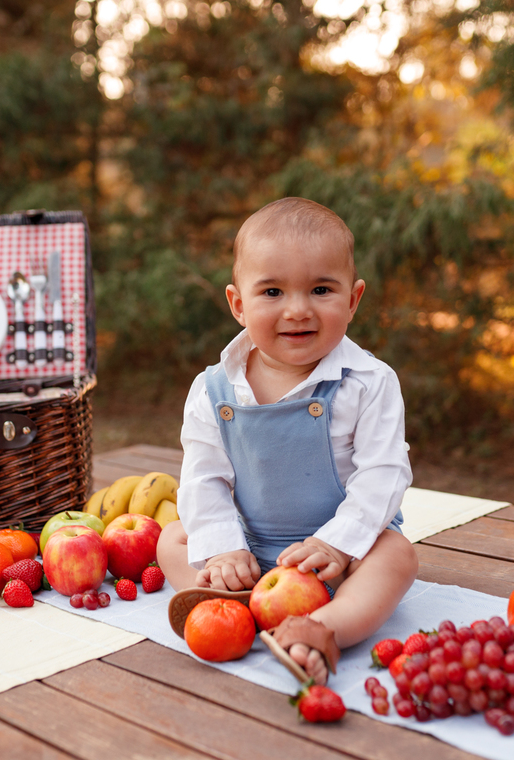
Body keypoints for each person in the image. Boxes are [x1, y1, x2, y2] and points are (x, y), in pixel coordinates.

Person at [156, 196, 419, 686]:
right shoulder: (213, 389)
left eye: (321, 289)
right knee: (172, 537)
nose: (297, 310)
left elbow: (384, 474)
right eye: (272, 292)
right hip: (249, 549)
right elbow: (202, 476)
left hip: (339, 558)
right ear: (238, 304)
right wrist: (221, 549)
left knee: (398, 556)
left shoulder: (368, 381)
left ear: (353, 299)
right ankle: (227, 599)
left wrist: (337, 545)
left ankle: (320, 628)